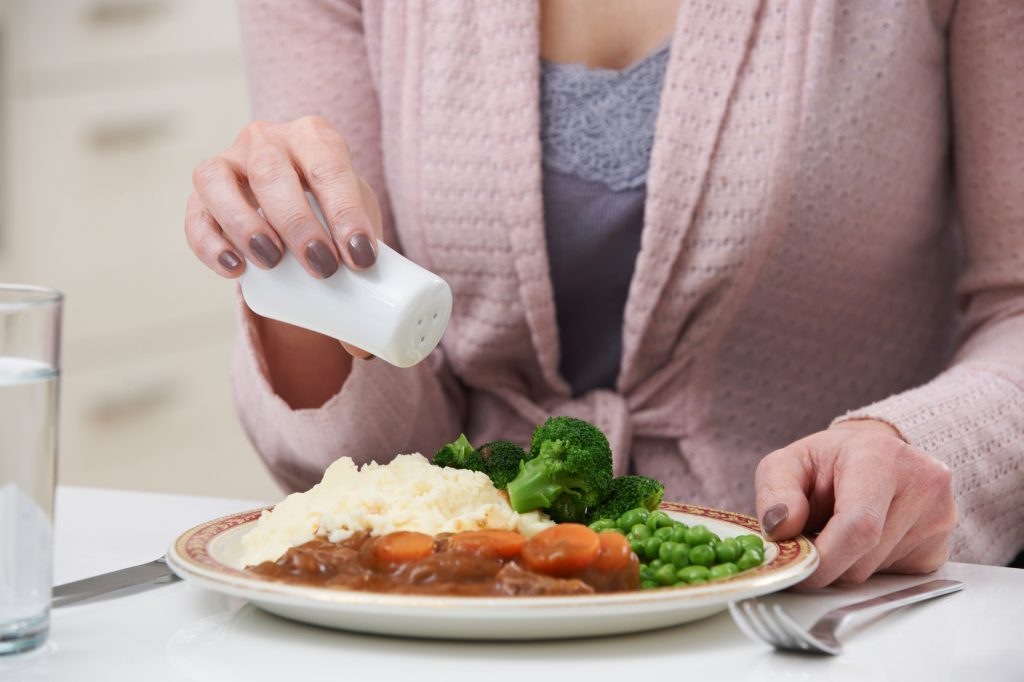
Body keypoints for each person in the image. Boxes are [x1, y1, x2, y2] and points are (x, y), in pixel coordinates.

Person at [184, 0, 1024, 587]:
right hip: (459, 597)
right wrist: (302, 290)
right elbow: (366, 448)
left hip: (824, 604)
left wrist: (913, 446)